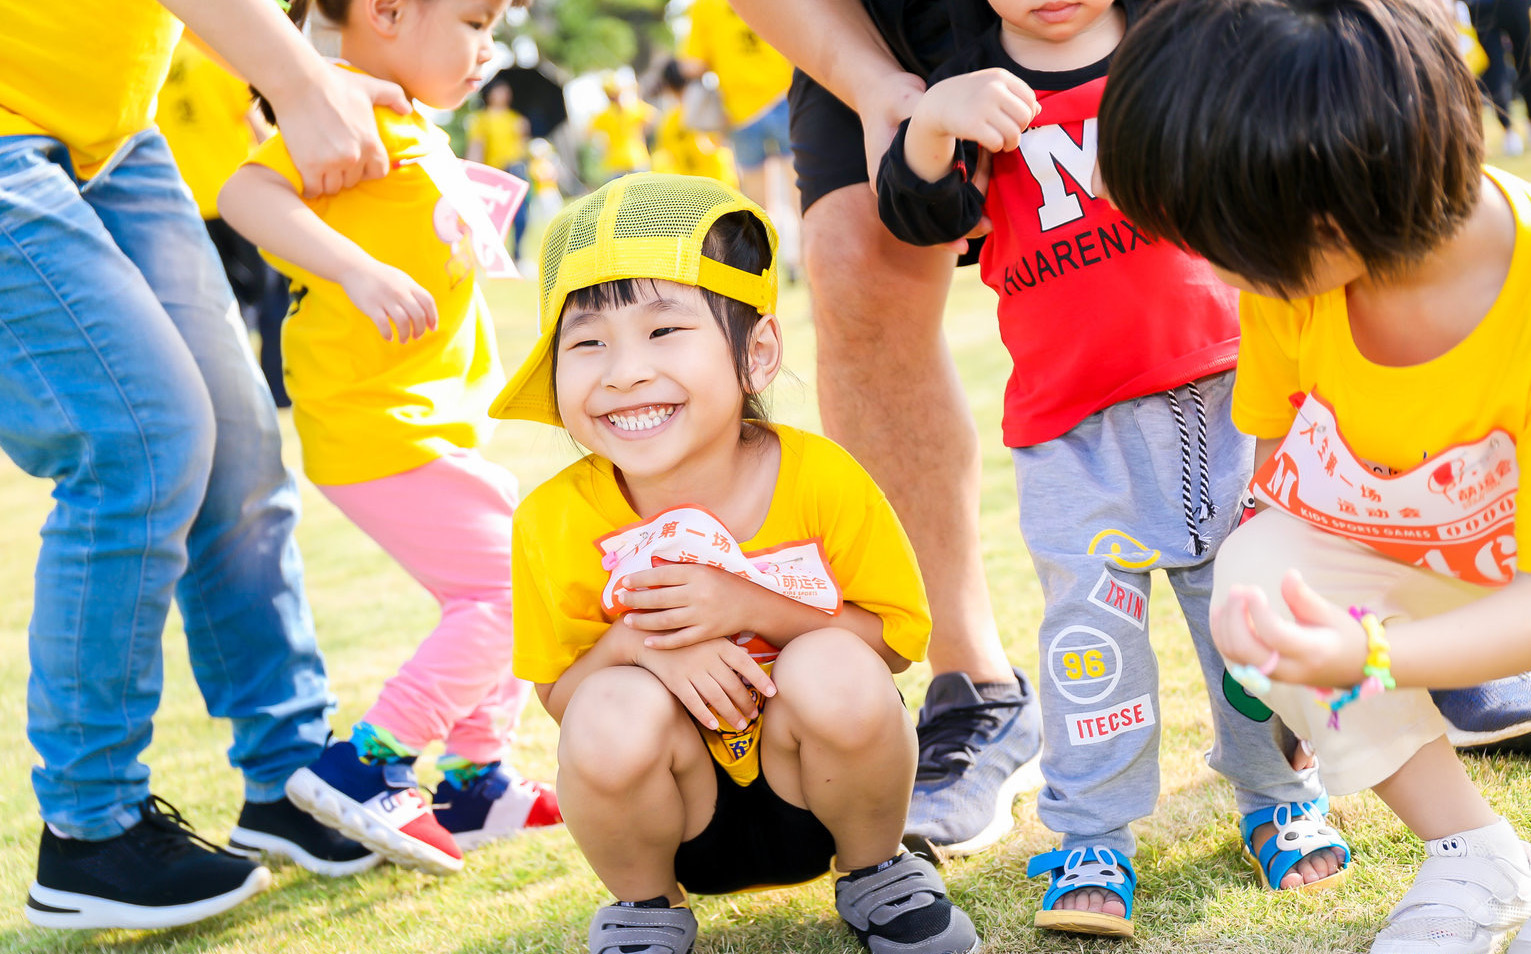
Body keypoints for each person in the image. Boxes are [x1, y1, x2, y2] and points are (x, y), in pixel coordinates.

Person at [874, 0, 1349, 936]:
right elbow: (920, 219)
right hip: (1070, 426)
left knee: (1248, 615)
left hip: (1227, 391)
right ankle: (1090, 831)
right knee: (1089, 640)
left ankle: (1278, 793)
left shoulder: (1177, 45)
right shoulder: (973, 87)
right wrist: (930, 123)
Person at [1096, 0, 1531, 949]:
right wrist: (1285, 665)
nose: (1217, 272)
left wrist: (1367, 659)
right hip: (1428, 555)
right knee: (1253, 578)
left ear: (1334, 208)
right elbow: (1279, 482)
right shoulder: (1301, 287)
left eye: (1221, 243)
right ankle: (1473, 851)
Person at [493, 172, 980, 954]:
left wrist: (750, 606)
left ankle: (875, 873)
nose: (622, 371)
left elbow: (893, 640)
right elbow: (561, 695)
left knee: (835, 662)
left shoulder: (819, 475)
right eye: (586, 343)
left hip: (817, 789)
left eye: (663, 332)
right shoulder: (553, 519)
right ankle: (645, 908)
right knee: (609, 706)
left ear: (755, 353)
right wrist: (639, 645)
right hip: (675, 810)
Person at [1, 0, 405, 931]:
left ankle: (290, 778)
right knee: (135, 441)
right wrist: (301, 82)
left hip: (111, 131)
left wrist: (294, 72)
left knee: (237, 445)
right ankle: (89, 831)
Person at [219, 0, 560, 878]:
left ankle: (477, 778)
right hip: (372, 416)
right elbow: (244, 193)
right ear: (388, 13)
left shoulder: (406, 117)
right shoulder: (347, 110)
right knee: (504, 588)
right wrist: (352, 268)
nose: (489, 50)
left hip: (427, 413)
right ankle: (367, 762)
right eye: (475, 24)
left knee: (523, 563)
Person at [725, 0, 1043, 868]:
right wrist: (876, 90)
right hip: (873, 17)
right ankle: (977, 689)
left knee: (1204, 194)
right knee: (852, 269)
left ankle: (1344, 626)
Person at [156, 37, 292, 407]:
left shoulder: (159, 54)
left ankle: (227, 394)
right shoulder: (216, 50)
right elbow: (259, 121)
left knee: (215, 305)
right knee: (270, 295)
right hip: (238, 197)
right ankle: (277, 391)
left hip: (184, 199)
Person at [679, 0, 800, 272]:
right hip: (786, 97)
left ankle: (768, 271)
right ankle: (801, 263)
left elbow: (693, 64)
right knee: (800, 193)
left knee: (759, 205)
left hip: (741, 111)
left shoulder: (703, 6)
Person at [464, 81, 532, 260]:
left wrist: (523, 133)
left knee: (521, 217)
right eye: (500, 91)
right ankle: (491, 257)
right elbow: (476, 147)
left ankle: (518, 254)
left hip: (516, 170)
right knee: (493, 218)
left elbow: (523, 149)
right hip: (494, 172)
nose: (504, 94)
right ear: (490, 95)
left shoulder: (516, 119)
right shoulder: (482, 119)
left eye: (506, 91)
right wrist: (472, 172)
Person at [651, 59, 740, 188]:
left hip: (690, 192)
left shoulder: (669, 121)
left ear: (669, 87)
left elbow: (663, 158)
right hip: (722, 185)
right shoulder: (715, 106)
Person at [587, 73, 658, 181]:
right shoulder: (632, 108)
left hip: (630, 161)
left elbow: (588, 132)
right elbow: (654, 117)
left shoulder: (624, 110)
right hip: (627, 161)